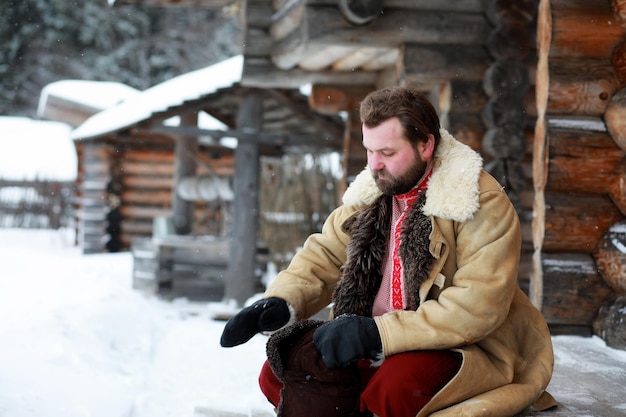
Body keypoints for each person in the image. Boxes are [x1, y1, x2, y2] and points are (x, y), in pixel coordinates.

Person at [220, 86, 556, 417]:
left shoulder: (478, 203)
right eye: (370, 150)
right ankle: (356, 405)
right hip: (371, 338)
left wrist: (378, 334)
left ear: (426, 144)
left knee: (394, 390)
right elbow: (323, 257)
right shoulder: (371, 194)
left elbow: (476, 308)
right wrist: (281, 302)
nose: (374, 165)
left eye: (388, 153)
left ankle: (364, 403)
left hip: (459, 345)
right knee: (279, 373)